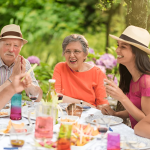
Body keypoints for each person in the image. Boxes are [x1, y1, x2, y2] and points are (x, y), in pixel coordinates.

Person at [101, 25, 150, 128]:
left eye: (123, 47)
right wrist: (115, 114)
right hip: (135, 135)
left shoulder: (146, 81)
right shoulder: (132, 77)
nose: (117, 50)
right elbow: (135, 109)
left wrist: (122, 98)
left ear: (136, 53)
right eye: (118, 45)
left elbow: (146, 120)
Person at [53, 34, 109, 109]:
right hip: (64, 115)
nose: (72, 55)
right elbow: (55, 96)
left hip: (88, 116)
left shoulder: (97, 73)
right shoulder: (60, 67)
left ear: (85, 54)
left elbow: (102, 105)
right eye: (68, 51)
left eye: (76, 51)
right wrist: (82, 103)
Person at [0, 24, 42, 101]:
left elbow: (38, 98)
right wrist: (12, 78)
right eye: (7, 44)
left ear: (20, 48)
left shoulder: (24, 63)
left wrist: (26, 81)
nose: (11, 49)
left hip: (15, 110)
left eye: (16, 45)